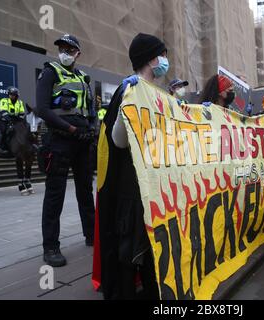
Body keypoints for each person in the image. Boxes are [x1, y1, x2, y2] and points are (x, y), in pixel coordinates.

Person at [95, 33, 166, 300]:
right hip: (131, 189)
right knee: (130, 250)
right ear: (151, 58)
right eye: (163, 55)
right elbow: (118, 141)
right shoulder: (131, 91)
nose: (166, 61)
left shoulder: (156, 94)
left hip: (151, 186)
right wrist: (130, 107)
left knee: (149, 248)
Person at [35, 34, 96, 267]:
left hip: (82, 142)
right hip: (59, 140)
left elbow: (89, 109)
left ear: (78, 53)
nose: (65, 53)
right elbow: (42, 109)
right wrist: (71, 129)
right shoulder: (50, 71)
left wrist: (91, 130)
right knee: (55, 194)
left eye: (70, 50)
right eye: (62, 48)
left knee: (85, 191)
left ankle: (91, 236)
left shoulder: (83, 78)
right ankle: (50, 247)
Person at [0, 87, 26, 155]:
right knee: (4, 130)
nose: (12, 96)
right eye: (10, 94)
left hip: (15, 120)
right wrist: (9, 120)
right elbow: (3, 111)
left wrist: (20, 120)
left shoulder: (20, 102)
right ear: (8, 94)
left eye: (13, 94)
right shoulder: (4, 100)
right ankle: (1, 147)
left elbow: (22, 113)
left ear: (16, 95)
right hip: (3, 120)